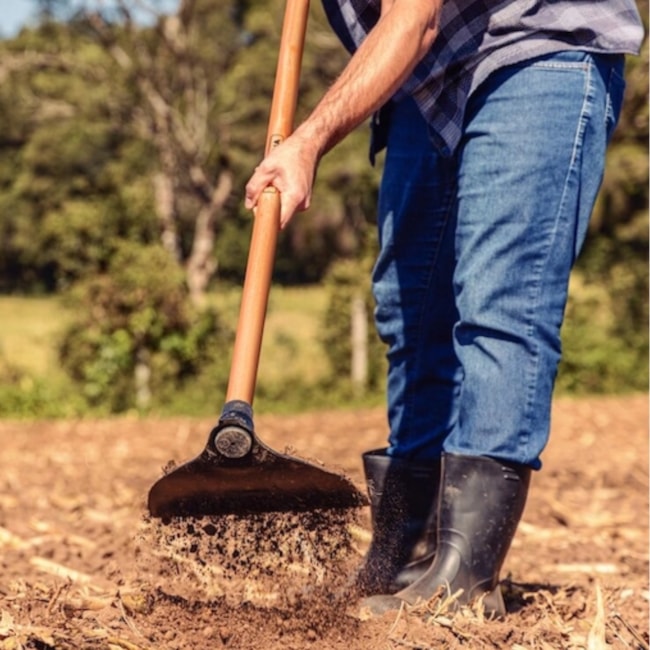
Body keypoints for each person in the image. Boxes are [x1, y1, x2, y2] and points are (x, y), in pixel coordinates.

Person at [245, 0, 644, 617]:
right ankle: (404, 550)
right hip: (425, 78)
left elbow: (414, 18)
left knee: (499, 305)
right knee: (409, 312)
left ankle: (465, 575)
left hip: (534, 46)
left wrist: (308, 141)